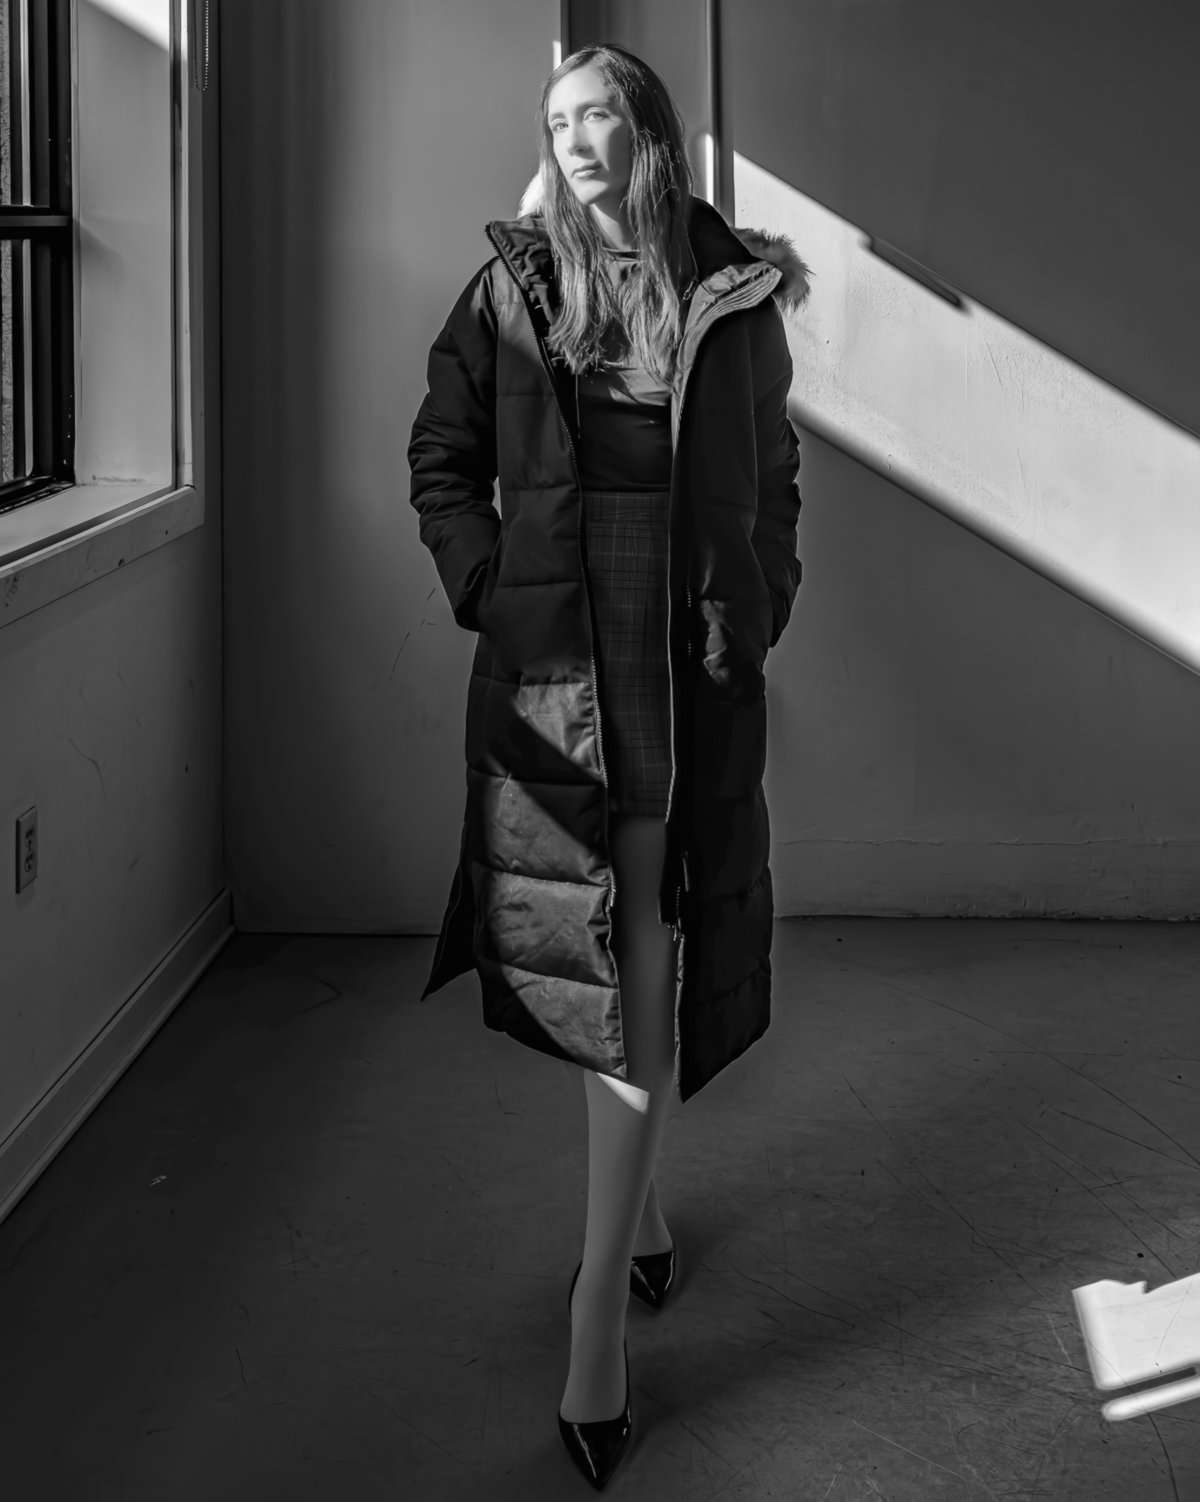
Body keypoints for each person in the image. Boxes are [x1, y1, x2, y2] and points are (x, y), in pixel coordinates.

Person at [408, 42, 810, 1491]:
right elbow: (440, 459)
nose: (575, 140)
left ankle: (608, 1277)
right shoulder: (513, 288)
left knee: (645, 935)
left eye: (598, 115)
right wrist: (492, 587)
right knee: (617, 941)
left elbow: (772, 478)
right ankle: (614, 1272)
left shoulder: (735, 295)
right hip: (563, 653)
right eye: (553, 120)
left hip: (683, 653)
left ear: (650, 130)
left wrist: (758, 589)